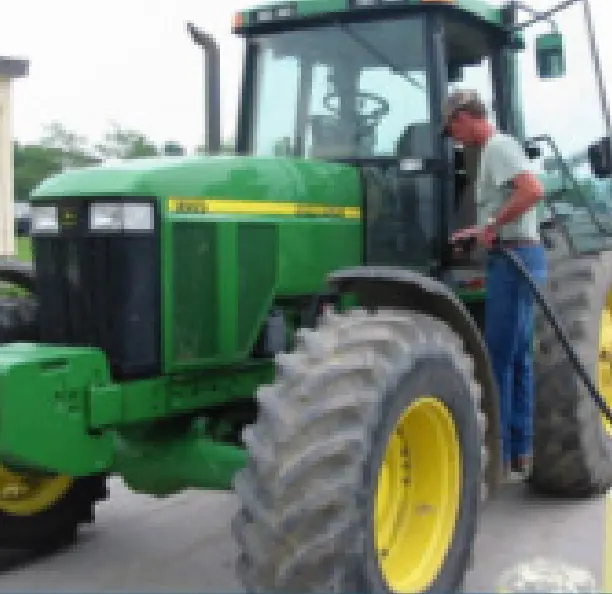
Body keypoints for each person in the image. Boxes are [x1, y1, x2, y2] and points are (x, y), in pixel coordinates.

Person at [444, 89, 547, 479]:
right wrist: (480, 228)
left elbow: (533, 191)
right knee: (518, 357)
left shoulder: (499, 146)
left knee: (499, 357)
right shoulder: (491, 151)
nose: (455, 138)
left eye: (453, 128)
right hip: (518, 254)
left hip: (514, 258)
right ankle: (520, 450)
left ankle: (499, 456)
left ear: (465, 117)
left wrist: (492, 225)